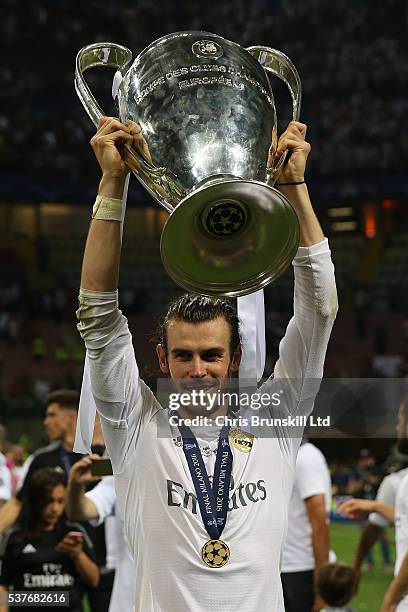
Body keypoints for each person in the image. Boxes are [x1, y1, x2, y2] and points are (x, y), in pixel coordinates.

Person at [76, 116, 338, 611]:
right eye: (184, 355)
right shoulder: (135, 428)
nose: (198, 370)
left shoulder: (274, 421)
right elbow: (98, 316)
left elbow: (319, 313)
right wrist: (112, 181)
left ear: (234, 358)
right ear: (162, 360)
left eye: (212, 355)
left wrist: (295, 188)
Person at [0, 392, 115, 612]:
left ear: (72, 417)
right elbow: (17, 503)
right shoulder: (42, 460)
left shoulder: (100, 457)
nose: (46, 422)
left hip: (101, 558)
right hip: (58, 558)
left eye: (52, 415)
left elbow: (116, 491)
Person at [0, 468, 99, 612]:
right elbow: (3, 586)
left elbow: (94, 580)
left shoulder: (73, 532)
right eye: (48, 501)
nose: (55, 509)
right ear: (35, 501)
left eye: (60, 501)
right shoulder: (15, 537)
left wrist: (77, 554)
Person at [66, 456, 135, 612]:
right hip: (128, 600)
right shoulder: (123, 470)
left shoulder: (193, 471)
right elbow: (78, 511)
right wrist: (76, 485)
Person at [281, 440, 331, 612]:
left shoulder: (305, 457)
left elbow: (319, 522)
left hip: (300, 569)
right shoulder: (290, 453)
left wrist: (321, 586)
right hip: (286, 567)